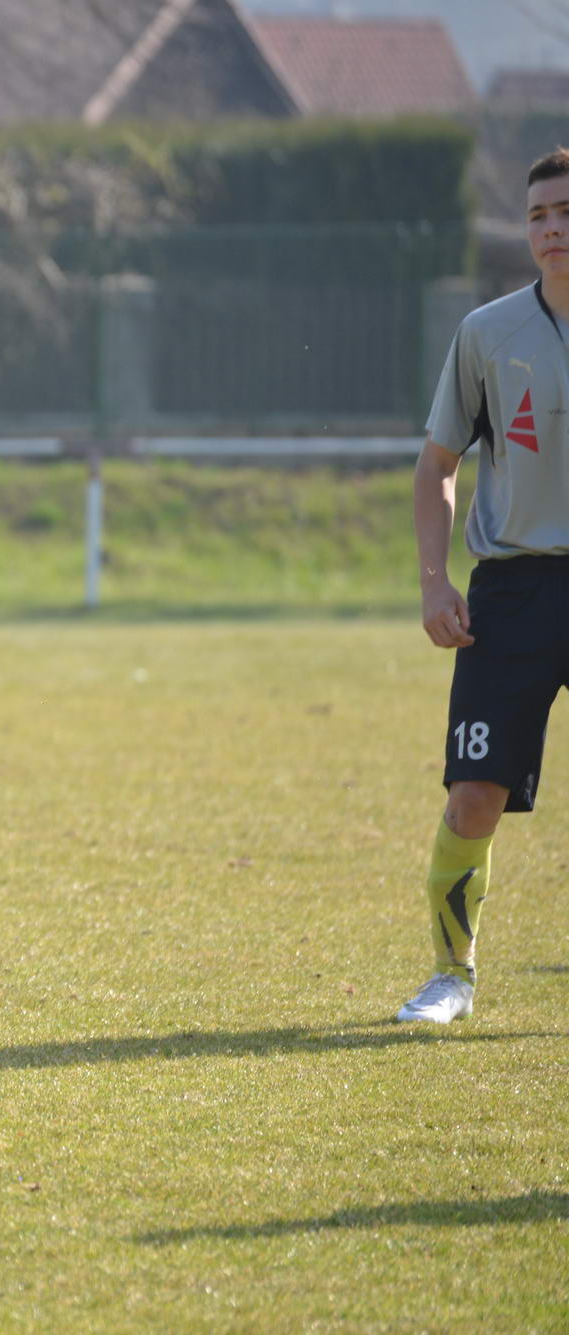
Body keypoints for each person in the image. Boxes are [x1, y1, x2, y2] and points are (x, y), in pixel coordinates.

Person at [394, 146, 569, 1024]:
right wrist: (434, 584)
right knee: (472, 795)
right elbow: (436, 467)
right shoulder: (487, 333)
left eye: (566, 212)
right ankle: (450, 976)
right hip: (514, 591)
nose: (552, 229)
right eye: (538, 215)